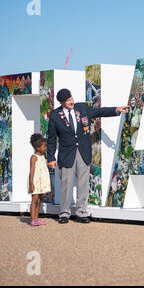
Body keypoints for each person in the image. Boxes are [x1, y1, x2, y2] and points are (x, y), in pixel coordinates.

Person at [47, 89, 129, 224]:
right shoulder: (55, 115)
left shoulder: (83, 108)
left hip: (83, 153)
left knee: (83, 184)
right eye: (68, 101)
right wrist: (50, 157)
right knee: (66, 185)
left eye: (71, 98)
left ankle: (81, 213)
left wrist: (117, 110)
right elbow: (51, 138)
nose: (71, 101)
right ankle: (64, 214)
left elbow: (99, 112)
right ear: (62, 103)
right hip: (66, 154)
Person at [28, 133, 51, 227]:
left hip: (42, 182)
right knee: (35, 199)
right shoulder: (34, 158)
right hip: (36, 181)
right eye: (44, 146)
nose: (45, 148)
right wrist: (31, 183)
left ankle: (36, 218)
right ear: (37, 147)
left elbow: (44, 165)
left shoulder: (42, 156)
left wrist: (50, 164)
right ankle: (32, 219)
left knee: (39, 199)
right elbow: (32, 171)